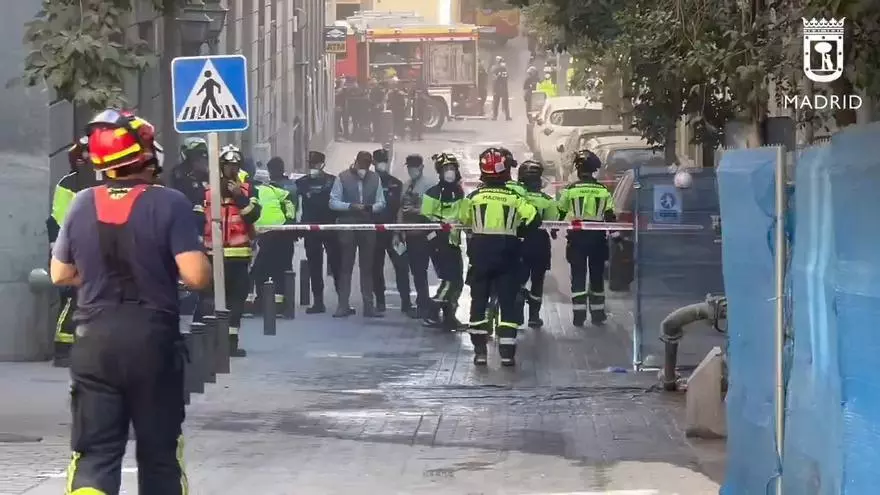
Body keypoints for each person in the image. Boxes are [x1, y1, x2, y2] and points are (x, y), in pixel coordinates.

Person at [50, 108, 211, 494]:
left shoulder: (82, 203)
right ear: (146, 155)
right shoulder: (170, 203)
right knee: (159, 456)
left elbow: (60, 273)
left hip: (94, 343)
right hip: (152, 342)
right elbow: (196, 276)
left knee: (94, 454)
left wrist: (98, 276)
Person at [458, 148, 539, 366]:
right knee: (507, 303)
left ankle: (480, 352)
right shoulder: (514, 197)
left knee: (478, 302)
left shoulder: (473, 197)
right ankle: (507, 354)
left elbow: (463, 219)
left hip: (480, 254)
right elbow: (534, 218)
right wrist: (520, 232)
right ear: (505, 172)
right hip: (508, 254)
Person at [193, 144, 261, 356]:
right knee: (207, 301)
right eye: (228, 165)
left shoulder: (248, 190)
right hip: (212, 256)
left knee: (236, 302)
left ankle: (230, 345)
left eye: (235, 166)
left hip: (239, 257)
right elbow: (196, 220)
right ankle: (202, 344)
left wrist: (239, 196)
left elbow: (253, 215)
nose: (232, 170)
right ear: (220, 167)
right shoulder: (206, 191)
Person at [47, 136, 97, 367]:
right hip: (74, 249)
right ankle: (63, 349)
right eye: (84, 154)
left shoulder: (102, 181)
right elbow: (59, 220)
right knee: (72, 298)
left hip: (93, 248)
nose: (87, 158)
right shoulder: (69, 183)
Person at [556, 149, 617, 326]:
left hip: (577, 238)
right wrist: (616, 234)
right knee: (597, 276)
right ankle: (598, 314)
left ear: (578, 170)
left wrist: (554, 228)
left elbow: (560, 211)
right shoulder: (603, 190)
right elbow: (610, 215)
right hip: (597, 239)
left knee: (578, 276)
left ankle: (579, 316)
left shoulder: (570, 190)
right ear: (594, 170)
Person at [329, 151, 387, 318]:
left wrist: (370, 208)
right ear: (355, 162)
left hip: (367, 225)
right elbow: (333, 202)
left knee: (367, 267)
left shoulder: (375, 178)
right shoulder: (342, 177)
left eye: (367, 165)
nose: (363, 168)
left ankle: (368, 306)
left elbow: (381, 202)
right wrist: (350, 206)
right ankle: (343, 305)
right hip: (347, 224)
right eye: (361, 164)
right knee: (345, 266)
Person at [421, 153, 465, 330]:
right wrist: (436, 237)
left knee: (458, 282)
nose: (450, 172)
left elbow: (463, 215)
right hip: (439, 243)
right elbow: (425, 219)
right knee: (449, 280)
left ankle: (450, 317)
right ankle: (432, 311)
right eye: (446, 169)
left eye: (452, 168)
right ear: (440, 172)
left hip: (454, 242)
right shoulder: (432, 193)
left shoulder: (459, 192)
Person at [295, 151, 341, 314]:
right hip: (311, 229)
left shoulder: (333, 181)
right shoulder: (302, 182)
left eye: (316, 164)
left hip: (330, 228)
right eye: (311, 164)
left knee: (336, 265)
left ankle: (342, 302)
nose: (313, 167)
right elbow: (297, 204)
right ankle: (318, 302)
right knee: (314, 266)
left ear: (322, 164)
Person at [251, 156, 297, 313]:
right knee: (282, 269)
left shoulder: (258, 190)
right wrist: (290, 222)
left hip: (270, 234)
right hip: (281, 232)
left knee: (262, 270)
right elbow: (291, 204)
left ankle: (265, 303)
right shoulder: (283, 188)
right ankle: (281, 304)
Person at [516, 160, 559, 328]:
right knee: (537, 281)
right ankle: (534, 317)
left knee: (518, 280)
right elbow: (554, 222)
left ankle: (517, 316)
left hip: (519, 242)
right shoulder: (547, 200)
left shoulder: (517, 198)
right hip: (540, 244)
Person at [371, 149, 412, 314]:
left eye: (384, 161)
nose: (382, 164)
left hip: (393, 233)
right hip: (374, 233)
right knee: (376, 268)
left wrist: (397, 231)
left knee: (402, 267)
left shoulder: (396, 183)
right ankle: (380, 302)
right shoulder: (369, 183)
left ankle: (406, 303)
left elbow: (400, 209)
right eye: (379, 161)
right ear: (373, 163)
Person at [398, 154, 432, 318]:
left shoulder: (429, 185)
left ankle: (424, 303)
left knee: (420, 271)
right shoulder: (406, 185)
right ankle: (418, 302)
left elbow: (433, 210)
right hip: (408, 234)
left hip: (423, 234)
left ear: (421, 167)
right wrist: (398, 230)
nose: (411, 170)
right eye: (409, 167)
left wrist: (416, 210)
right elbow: (400, 209)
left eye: (414, 167)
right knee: (413, 270)